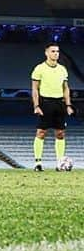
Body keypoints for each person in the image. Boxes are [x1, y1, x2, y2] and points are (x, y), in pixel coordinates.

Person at [31, 43, 73, 171]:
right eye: (53, 51)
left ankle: (60, 163)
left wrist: (68, 105)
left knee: (60, 133)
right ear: (46, 53)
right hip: (45, 103)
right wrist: (36, 105)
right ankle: (38, 162)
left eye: (57, 51)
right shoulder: (39, 68)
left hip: (59, 103)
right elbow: (34, 89)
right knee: (41, 132)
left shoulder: (62, 69)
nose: (56, 53)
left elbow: (66, 88)